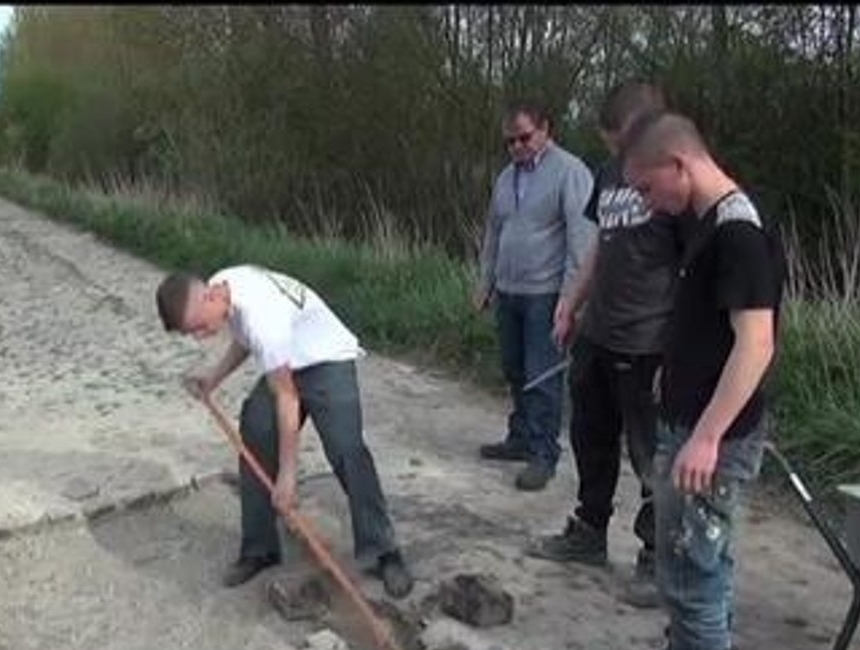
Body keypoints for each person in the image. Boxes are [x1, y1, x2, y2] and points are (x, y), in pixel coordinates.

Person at [614, 111, 786, 650]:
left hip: (709, 443)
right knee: (692, 571)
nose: (648, 202)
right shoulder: (707, 224)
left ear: (678, 164)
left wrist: (708, 436)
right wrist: (673, 368)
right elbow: (710, 326)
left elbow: (757, 343)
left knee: (696, 582)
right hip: (687, 422)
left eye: (646, 187)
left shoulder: (740, 234)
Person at [155, 264, 414, 598]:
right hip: (287, 362)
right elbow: (245, 339)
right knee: (257, 427)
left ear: (209, 296)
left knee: (346, 449)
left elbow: (287, 396)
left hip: (326, 360)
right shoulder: (224, 288)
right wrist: (214, 377)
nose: (201, 336)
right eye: (193, 331)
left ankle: (384, 551)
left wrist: (288, 474)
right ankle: (259, 549)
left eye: (200, 327)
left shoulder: (264, 316)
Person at [525, 81, 687, 610]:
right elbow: (600, 243)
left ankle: (652, 553)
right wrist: (572, 302)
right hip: (599, 330)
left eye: (620, 142)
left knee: (650, 455)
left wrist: (677, 348)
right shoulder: (610, 173)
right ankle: (589, 531)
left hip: (648, 340)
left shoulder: (674, 181)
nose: (617, 154)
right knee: (590, 437)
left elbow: (692, 271)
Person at [475, 100, 598, 491]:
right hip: (510, 290)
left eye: (524, 138)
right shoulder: (505, 178)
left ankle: (544, 453)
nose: (517, 147)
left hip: (547, 293)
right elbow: (494, 232)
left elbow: (582, 240)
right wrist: (485, 282)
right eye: (509, 142)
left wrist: (571, 300)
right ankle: (522, 436)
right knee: (514, 368)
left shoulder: (570, 172)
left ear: (545, 129)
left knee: (542, 376)